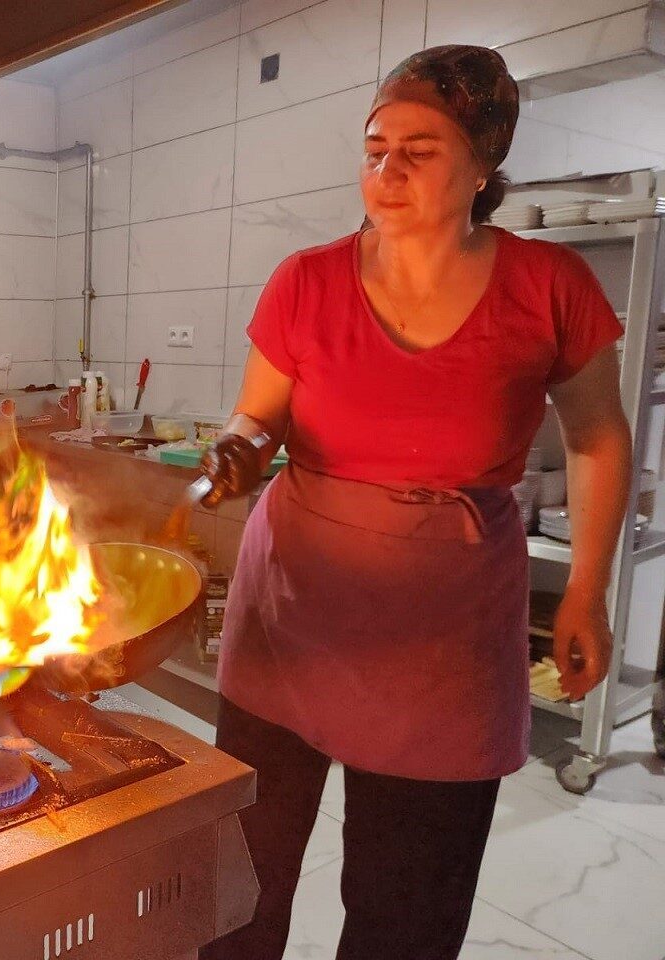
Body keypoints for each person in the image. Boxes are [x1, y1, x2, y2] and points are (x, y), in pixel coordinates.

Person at [200, 45, 631, 960]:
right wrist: (240, 443)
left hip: (444, 640)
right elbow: (260, 414)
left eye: (419, 149)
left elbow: (598, 437)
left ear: (482, 166)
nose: (386, 168)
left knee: (407, 907)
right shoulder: (305, 281)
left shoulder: (550, 286)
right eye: (375, 146)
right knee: (238, 882)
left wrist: (587, 589)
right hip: (292, 616)